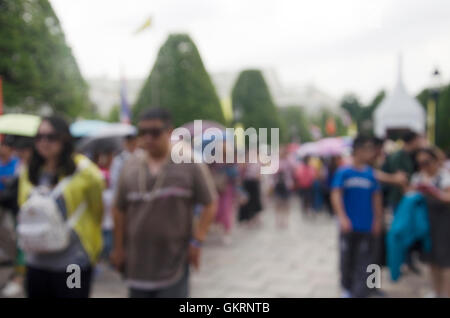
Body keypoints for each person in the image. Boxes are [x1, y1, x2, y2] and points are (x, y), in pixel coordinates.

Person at [110, 108, 217, 298]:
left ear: (169, 131)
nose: (148, 138)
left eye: (155, 132)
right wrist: (118, 248)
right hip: (137, 262)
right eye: (142, 133)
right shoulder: (130, 166)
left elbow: (210, 202)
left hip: (174, 261)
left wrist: (197, 241)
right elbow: (119, 209)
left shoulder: (188, 164)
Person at [17, 116, 104, 298]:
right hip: (37, 260)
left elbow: (97, 211)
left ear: (64, 138)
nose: (44, 142)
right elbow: (23, 208)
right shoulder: (28, 171)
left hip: (73, 261)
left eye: (51, 136)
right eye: (39, 137)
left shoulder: (86, 172)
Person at [331, 135, 383, 298]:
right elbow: (336, 195)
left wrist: (377, 221)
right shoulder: (344, 172)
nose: (371, 152)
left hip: (367, 225)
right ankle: (347, 288)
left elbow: (377, 198)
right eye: (368, 148)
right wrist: (343, 217)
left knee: (366, 261)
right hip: (349, 226)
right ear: (358, 150)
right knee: (347, 258)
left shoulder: (371, 174)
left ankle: (363, 290)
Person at [410, 148, 450, 297]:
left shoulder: (445, 176)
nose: (424, 166)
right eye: (420, 163)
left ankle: (446, 293)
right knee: (431, 259)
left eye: (426, 162)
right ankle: (436, 290)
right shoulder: (418, 177)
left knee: (445, 261)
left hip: (443, 223)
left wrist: (433, 191)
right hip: (425, 223)